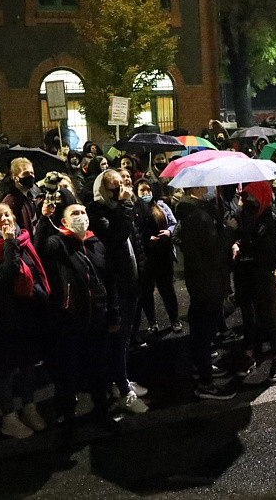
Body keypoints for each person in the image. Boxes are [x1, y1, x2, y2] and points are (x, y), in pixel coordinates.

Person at [34, 203, 117, 440]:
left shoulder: (95, 242)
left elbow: (108, 279)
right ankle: (68, 420)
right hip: (69, 319)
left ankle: (101, 411)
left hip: (97, 317)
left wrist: (114, 313)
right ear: (64, 222)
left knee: (98, 368)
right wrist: (44, 219)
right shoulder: (58, 243)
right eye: (74, 213)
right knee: (68, 372)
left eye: (83, 212)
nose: (81, 216)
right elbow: (40, 249)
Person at [0, 203, 50, 438]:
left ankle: (29, 407)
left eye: (7, 214)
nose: (4, 219)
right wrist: (8, 243)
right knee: (5, 369)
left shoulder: (23, 239)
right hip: (3, 318)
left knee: (28, 364)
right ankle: (9, 417)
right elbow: (7, 274)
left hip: (27, 314)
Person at [87, 170, 149, 414]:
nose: (119, 190)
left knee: (124, 340)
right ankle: (120, 389)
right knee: (116, 339)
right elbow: (115, 237)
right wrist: (124, 206)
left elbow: (135, 238)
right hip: (114, 286)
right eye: (113, 187)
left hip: (130, 282)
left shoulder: (120, 208)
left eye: (121, 185)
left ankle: (121, 378)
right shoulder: (97, 211)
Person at [174, 185, 235, 400]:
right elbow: (215, 250)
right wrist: (229, 230)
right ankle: (205, 383)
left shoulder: (193, 212)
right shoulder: (199, 216)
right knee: (204, 332)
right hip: (207, 282)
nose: (213, 188)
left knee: (201, 330)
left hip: (200, 281)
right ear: (200, 187)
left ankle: (202, 368)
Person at [232, 181, 276, 383]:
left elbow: (275, 252)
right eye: (246, 196)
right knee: (247, 317)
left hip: (261, 275)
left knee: (266, 316)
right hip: (243, 274)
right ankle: (250, 355)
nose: (248, 200)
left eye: (252, 196)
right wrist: (235, 243)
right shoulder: (241, 214)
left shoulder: (271, 220)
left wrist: (251, 250)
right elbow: (236, 235)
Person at [133, 178, 180, 334]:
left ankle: (174, 320)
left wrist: (168, 232)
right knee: (146, 292)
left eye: (148, 190)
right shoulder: (134, 209)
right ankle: (152, 322)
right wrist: (145, 239)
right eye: (142, 190)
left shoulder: (161, 206)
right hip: (145, 256)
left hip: (163, 254)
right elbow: (134, 232)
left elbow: (173, 222)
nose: (146, 193)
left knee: (167, 289)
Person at [2, 158, 39, 237]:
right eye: (25, 174)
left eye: (32, 173)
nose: (30, 176)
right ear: (15, 178)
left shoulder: (31, 197)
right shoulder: (10, 202)